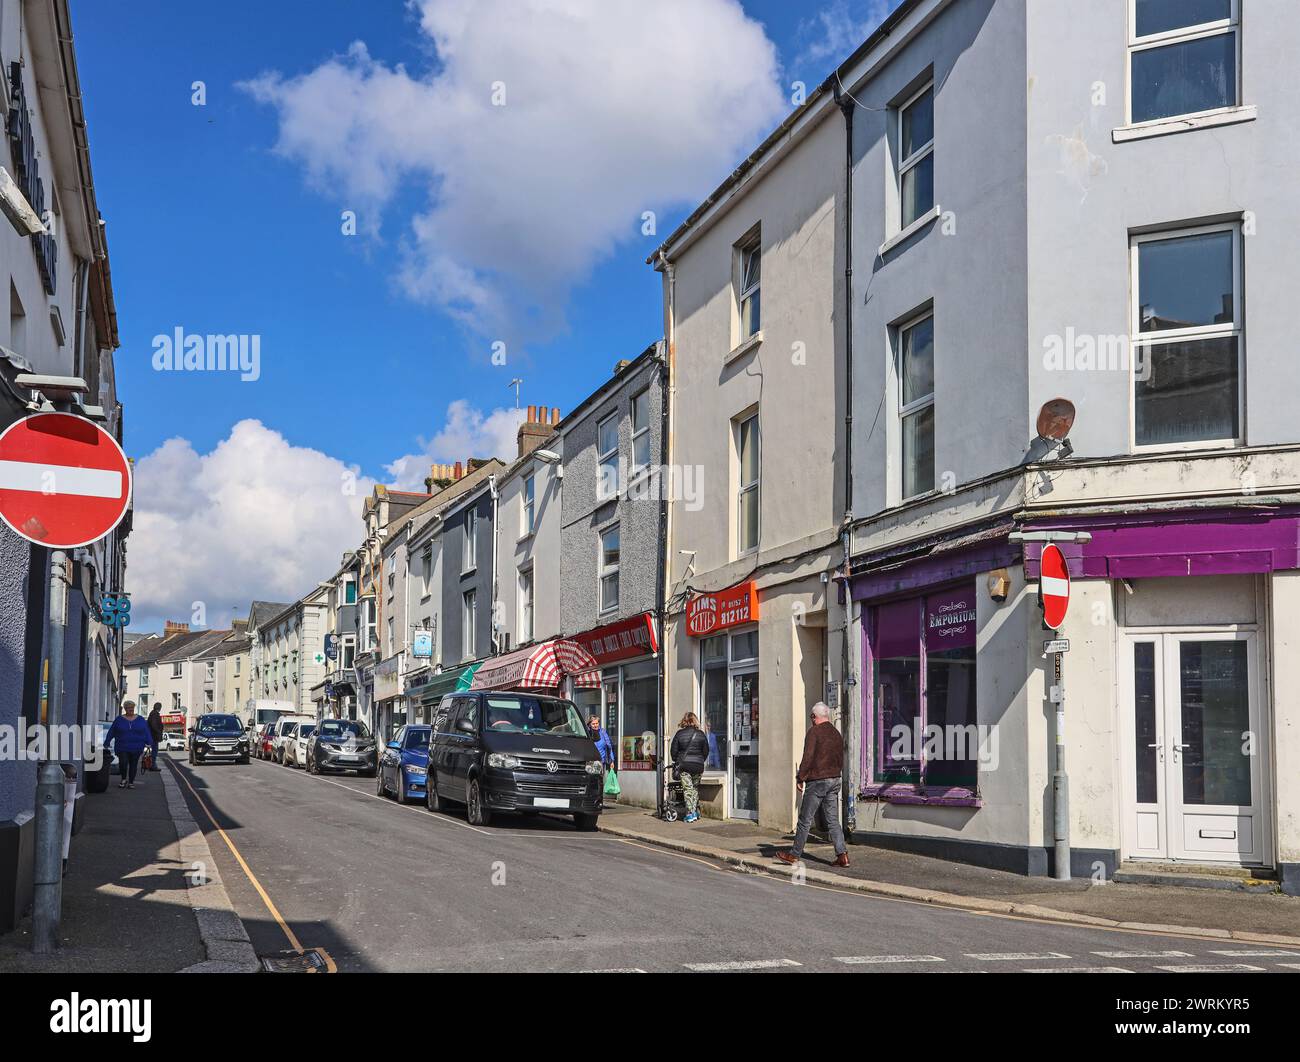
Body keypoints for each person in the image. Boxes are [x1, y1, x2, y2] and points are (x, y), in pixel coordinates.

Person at [776, 702, 850, 868]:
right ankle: (842, 855)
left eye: (812, 717)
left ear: (814, 717)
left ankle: (794, 855)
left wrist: (800, 777)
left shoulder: (814, 732)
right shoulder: (836, 734)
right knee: (833, 820)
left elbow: (807, 757)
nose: (811, 720)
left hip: (818, 781)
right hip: (834, 779)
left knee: (804, 820)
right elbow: (841, 758)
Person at [105, 700, 156, 790]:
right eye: (129, 708)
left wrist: (149, 742)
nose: (131, 710)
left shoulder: (140, 719)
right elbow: (112, 731)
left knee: (134, 764)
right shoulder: (119, 719)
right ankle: (124, 779)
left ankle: (131, 782)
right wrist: (107, 741)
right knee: (123, 763)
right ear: (125, 709)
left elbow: (146, 731)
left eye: (132, 708)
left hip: (137, 746)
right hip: (122, 746)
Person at [669, 712, 709, 824]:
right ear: (695, 721)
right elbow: (706, 751)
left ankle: (690, 814)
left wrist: (678, 760)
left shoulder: (679, 734)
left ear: (684, 721)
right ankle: (695, 812)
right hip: (698, 766)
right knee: (694, 789)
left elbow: (673, 752)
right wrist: (700, 760)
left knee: (688, 790)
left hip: (685, 766)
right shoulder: (701, 734)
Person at [146, 703, 165, 770]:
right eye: (160, 707)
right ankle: (153, 765)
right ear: (159, 707)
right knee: (154, 751)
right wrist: (158, 732)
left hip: (153, 735)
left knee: (154, 751)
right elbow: (154, 725)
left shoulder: (153, 713)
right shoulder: (154, 714)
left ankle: (152, 764)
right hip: (154, 736)